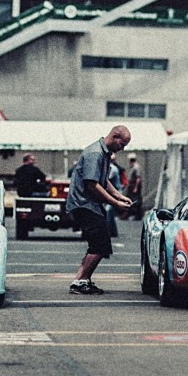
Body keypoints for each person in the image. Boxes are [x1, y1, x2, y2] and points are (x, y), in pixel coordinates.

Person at [66, 125, 133, 295]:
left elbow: (103, 180)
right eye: (122, 144)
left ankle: (81, 280)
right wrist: (115, 203)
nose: (123, 148)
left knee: (97, 244)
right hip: (84, 204)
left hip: (88, 204)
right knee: (100, 244)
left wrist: (119, 196)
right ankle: (80, 282)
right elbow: (92, 184)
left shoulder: (103, 153)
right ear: (115, 137)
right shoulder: (95, 153)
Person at [123, 153, 143, 220]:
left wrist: (135, 188)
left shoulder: (136, 167)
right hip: (132, 186)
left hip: (134, 186)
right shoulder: (133, 167)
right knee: (132, 200)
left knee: (136, 201)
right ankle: (132, 214)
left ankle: (137, 215)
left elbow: (138, 178)